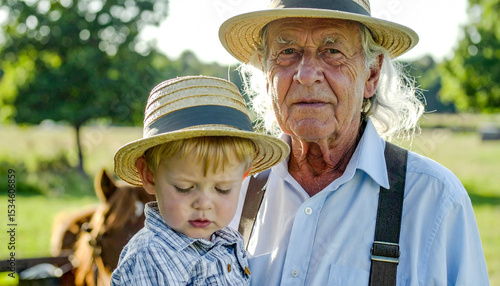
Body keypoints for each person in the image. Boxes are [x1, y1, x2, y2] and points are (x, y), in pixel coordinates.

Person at [219, 0, 490, 285]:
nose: (307, 75)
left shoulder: (434, 200)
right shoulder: (225, 192)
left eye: (332, 51)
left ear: (371, 74)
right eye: (288, 52)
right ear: (266, 73)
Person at [110, 75, 290, 285]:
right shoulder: (150, 258)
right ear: (149, 176)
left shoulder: (229, 240)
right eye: (184, 188)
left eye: (222, 189)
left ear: (243, 177)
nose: (203, 203)